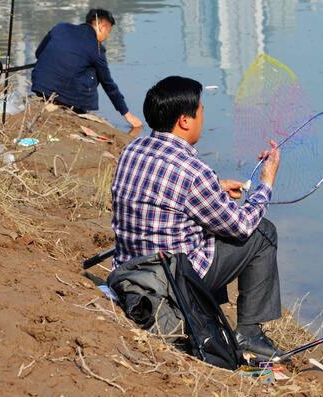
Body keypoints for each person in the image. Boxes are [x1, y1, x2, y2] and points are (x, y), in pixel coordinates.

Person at [111, 76, 284, 359]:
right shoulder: (193, 171)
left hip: (130, 269)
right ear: (184, 121)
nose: (204, 117)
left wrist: (215, 189)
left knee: (210, 227)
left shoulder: (132, 150)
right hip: (173, 281)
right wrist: (266, 184)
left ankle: (213, 312)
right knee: (263, 233)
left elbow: (166, 195)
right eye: (201, 111)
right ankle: (249, 334)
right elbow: (241, 227)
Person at [31, 8, 142, 127]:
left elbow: (39, 54)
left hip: (40, 88)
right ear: (101, 26)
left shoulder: (60, 27)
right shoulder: (96, 49)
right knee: (93, 70)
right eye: (108, 31)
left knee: (78, 63)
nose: (107, 36)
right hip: (66, 99)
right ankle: (73, 104)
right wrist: (127, 115)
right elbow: (108, 84)